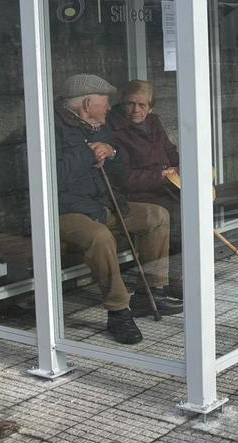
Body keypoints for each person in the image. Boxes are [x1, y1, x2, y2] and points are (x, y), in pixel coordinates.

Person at [55, 74, 175, 346]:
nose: (110, 108)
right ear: (87, 103)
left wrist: (112, 152)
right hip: (63, 209)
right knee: (99, 237)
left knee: (157, 216)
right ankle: (119, 311)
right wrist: (88, 153)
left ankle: (149, 293)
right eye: (106, 102)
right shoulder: (50, 128)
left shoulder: (99, 126)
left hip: (102, 204)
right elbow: (53, 176)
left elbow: (118, 175)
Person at [107, 80, 185, 297]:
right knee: (174, 215)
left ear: (151, 107)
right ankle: (164, 282)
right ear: (122, 104)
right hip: (136, 194)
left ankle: (177, 277)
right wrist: (158, 176)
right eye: (130, 104)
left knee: (191, 209)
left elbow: (169, 151)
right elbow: (122, 177)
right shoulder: (113, 129)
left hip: (161, 187)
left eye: (142, 105)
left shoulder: (153, 123)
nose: (136, 110)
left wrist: (180, 167)